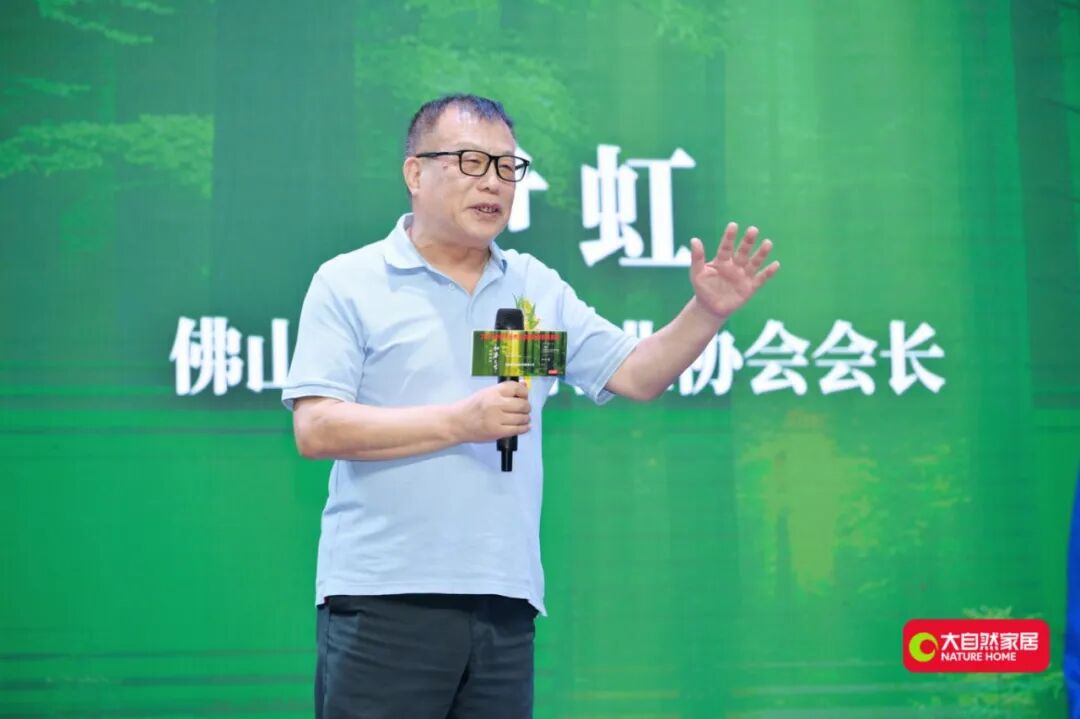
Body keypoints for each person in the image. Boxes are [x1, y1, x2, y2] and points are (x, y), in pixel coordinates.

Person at [283, 94, 779, 719]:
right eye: (470, 162)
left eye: (507, 166)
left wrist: (706, 313)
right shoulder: (351, 281)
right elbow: (317, 427)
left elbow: (637, 374)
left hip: (504, 602)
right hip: (386, 596)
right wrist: (459, 422)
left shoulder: (533, 288)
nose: (493, 182)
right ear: (415, 172)